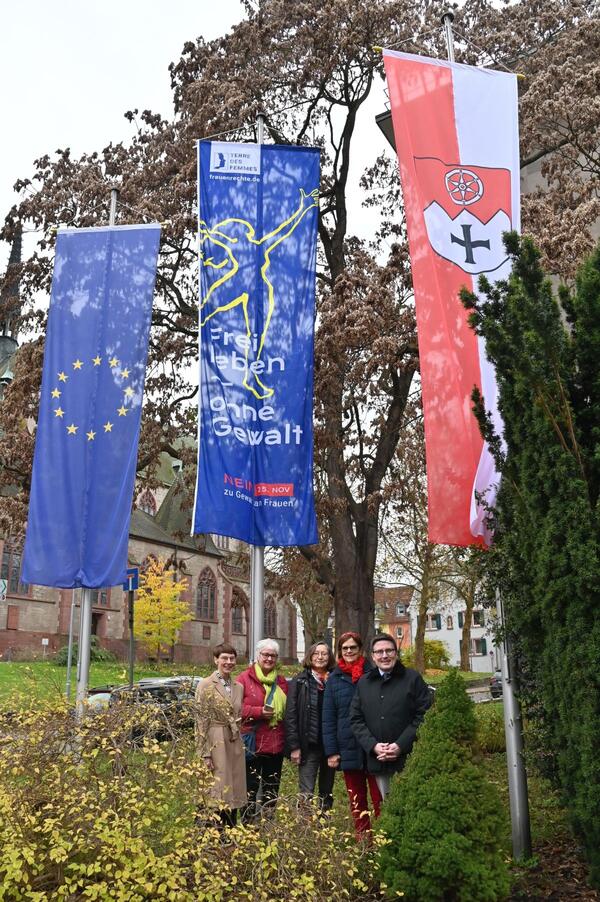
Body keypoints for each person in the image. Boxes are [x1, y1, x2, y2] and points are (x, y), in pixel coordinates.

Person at [349, 633, 432, 800]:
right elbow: (356, 719)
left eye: (389, 650)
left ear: (396, 653)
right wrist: (373, 746)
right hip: (379, 760)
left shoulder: (413, 679)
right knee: (388, 808)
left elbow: (425, 715)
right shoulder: (364, 683)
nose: (384, 655)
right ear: (373, 656)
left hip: (412, 758)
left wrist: (400, 745)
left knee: (415, 805)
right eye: (379, 652)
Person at [322, 631, 383, 838]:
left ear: (361, 650)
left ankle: (385, 837)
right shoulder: (334, 678)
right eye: (344, 648)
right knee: (356, 799)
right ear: (339, 651)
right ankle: (364, 842)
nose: (348, 651)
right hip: (347, 745)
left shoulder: (374, 674)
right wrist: (331, 751)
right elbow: (328, 717)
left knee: (379, 797)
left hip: (373, 745)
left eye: (352, 648)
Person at [194, 642, 247, 827]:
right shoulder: (206, 684)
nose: (229, 662)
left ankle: (229, 835)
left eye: (232, 658)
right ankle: (208, 834)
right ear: (216, 659)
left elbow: (238, 714)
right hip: (215, 740)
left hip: (233, 741)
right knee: (215, 789)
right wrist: (204, 753)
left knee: (234, 789)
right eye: (224, 658)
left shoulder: (238, 686)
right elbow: (200, 720)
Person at [237, 637, 288, 819]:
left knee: (271, 791)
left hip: (275, 745)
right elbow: (234, 708)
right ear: (257, 656)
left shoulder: (281, 682)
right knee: (249, 789)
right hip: (253, 745)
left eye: (273, 656)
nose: (269, 659)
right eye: (265, 654)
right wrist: (259, 712)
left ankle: (268, 827)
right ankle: (248, 828)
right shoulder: (243, 679)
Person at [285, 640, 336, 812]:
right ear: (310, 656)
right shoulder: (300, 681)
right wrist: (294, 747)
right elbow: (291, 715)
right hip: (309, 745)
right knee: (306, 791)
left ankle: (324, 827)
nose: (320, 657)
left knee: (327, 791)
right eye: (316, 653)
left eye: (324, 653)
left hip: (330, 746)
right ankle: (305, 830)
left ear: (329, 657)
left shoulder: (335, 680)